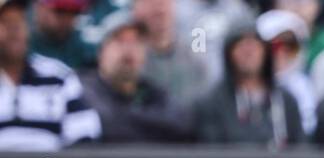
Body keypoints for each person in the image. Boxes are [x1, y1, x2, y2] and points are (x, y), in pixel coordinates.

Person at [0, 0, 100, 149]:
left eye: (20, 20)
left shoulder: (59, 76)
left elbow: (85, 136)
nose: (15, 28)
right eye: (5, 22)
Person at [79, 10, 192, 142]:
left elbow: (181, 125)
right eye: (120, 41)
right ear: (101, 51)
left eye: (137, 41)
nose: (129, 49)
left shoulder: (153, 92)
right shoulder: (80, 89)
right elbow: (106, 122)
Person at [194, 22, 305, 147]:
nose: (248, 53)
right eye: (241, 47)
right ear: (228, 53)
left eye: (254, 46)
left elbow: (299, 147)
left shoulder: (286, 101)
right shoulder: (212, 103)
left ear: (265, 52)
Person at [133, 0, 208, 105]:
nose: (160, 9)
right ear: (136, 8)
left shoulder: (195, 62)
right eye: (151, 2)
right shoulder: (126, 60)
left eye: (165, 2)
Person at [257, 8, 315, 137]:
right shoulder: (247, 85)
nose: (282, 53)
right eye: (275, 45)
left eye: (291, 45)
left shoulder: (305, 86)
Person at [29, 0, 96, 69]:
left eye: (74, 12)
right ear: (39, 8)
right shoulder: (24, 45)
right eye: (60, 11)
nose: (67, 18)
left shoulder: (82, 51)